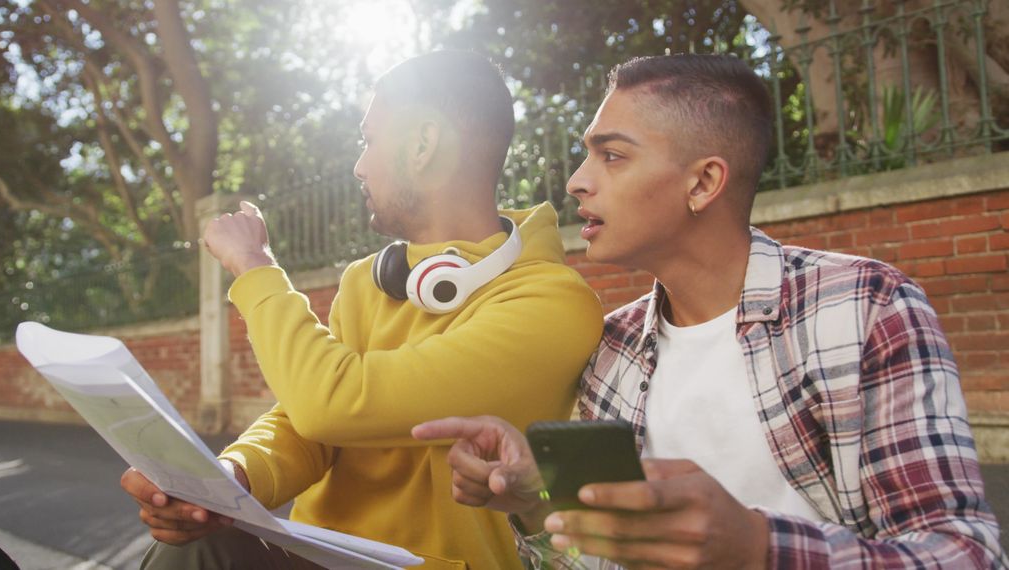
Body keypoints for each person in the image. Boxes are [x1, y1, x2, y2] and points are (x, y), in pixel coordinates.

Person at [413, 53, 1008, 568]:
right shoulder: (612, 347)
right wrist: (536, 504)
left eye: (612, 156)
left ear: (703, 183)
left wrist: (757, 548)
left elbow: (967, 553)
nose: (575, 182)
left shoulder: (862, 307)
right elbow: (595, 561)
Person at [120, 50, 604, 568]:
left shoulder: (552, 304)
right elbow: (307, 429)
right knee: (191, 545)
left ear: (423, 144)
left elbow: (332, 401)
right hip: (315, 552)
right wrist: (233, 477)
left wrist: (255, 267)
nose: (358, 165)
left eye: (369, 140)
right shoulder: (367, 282)